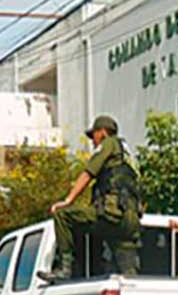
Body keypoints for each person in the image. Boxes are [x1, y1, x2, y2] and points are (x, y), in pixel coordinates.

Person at [46, 115, 141, 279]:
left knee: (63, 216)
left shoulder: (109, 143)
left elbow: (88, 173)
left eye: (94, 136)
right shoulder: (127, 154)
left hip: (111, 214)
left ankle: (65, 268)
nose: (93, 141)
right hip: (130, 220)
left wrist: (68, 200)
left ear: (102, 132)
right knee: (128, 274)